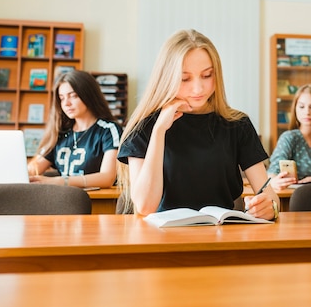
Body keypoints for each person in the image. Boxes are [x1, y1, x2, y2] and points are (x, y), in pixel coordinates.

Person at [117, 29, 279, 219]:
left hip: (222, 235)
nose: (198, 88)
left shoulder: (237, 124)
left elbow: (270, 197)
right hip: (162, 238)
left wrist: (270, 208)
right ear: (166, 77)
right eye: (185, 78)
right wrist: (159, 130)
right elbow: (145, 206)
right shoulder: (144, 126)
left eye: (207, 75)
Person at [28, 70, 122, 189]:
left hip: (98, 202)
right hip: (63, 200)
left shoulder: (108, 130)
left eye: (73, 96)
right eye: (62, 98)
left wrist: (60, 181)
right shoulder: (60, 132)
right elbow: (34, 168)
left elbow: (107, 177)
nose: (66, 103)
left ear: (88, 95)